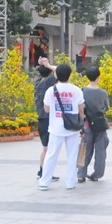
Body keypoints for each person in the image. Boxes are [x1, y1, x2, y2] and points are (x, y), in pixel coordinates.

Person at [39, 63, 84, 191]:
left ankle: (44, 182)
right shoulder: (76, 90)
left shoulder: (51, 91)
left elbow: (46, 109)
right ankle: (70, 182)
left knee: (51, 155)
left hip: (55, 127)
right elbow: (81, 109)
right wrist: (82, 125)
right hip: (73, 128)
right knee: (72, 155)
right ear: (70, 75)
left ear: (56, 75)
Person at [78, 66, 110, 183]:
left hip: (86, 124)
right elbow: (106, 107)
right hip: (100, 124)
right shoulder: (103, 93)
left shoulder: (82, 91)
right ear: (98, 77)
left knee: (84, 148)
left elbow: (80, 108)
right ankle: (97, 174)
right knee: (101, 150)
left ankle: (81, 174)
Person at [33, 57, 59, 181]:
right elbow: (59, 71)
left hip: (41, 119)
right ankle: (45, 172)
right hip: (47, 119)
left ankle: (42, 170)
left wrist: (43, 66)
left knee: (45, 148)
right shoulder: (47, 83)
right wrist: (48, 65)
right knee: (49, 148)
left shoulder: (38, 82)